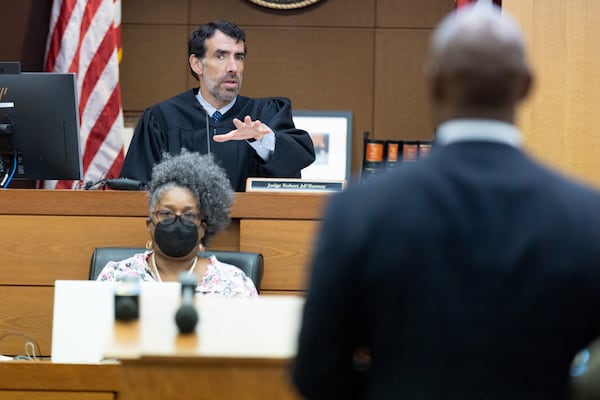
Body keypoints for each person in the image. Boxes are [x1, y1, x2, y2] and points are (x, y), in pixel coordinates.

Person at [292, 3, 600, 400]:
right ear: (526, 85)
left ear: (433, 83)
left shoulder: (360, 210)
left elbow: (316, 373)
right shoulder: (584, 216)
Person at [119, 20, 316, 192]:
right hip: (183, 232)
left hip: (250, 231)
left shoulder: (264, 114)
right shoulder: (163, 118)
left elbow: (298, 159)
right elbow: (137, 190)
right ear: (197, 64)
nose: (233, 67)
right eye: (221, 56)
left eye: (239, 57)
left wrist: (263, 140)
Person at [97, 150, 257, 298]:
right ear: (149, 224)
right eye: (167, 213)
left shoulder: (233, 283)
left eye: (188, 215)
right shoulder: (117, 276)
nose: (177, 221)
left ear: (203, 228)